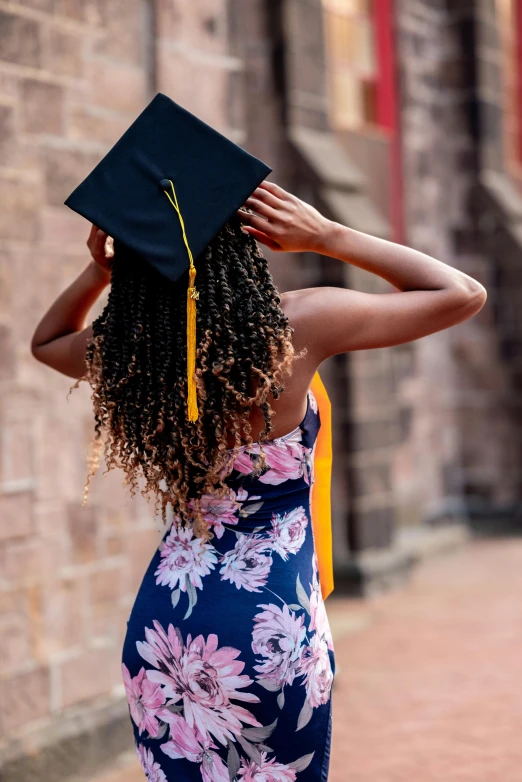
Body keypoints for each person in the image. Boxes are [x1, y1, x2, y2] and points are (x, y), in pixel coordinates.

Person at [31, 97, 486, 782]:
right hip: (270, 619)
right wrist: (329, 236)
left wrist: (102, 273)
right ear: (241, 243)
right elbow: (459, 292)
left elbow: (47, 343)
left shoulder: (128, 345)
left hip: (168, 624)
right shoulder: (297, 327)